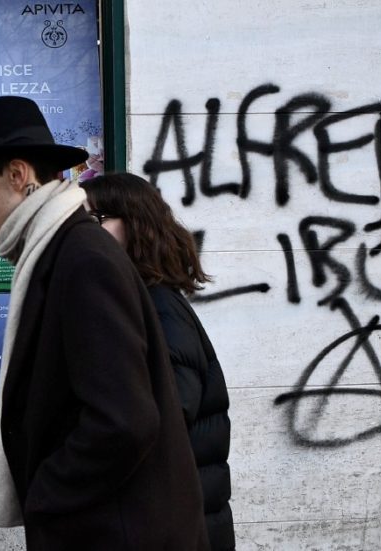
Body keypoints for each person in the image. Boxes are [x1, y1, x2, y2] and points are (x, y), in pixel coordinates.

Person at [0, 96, 209, 550]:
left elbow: (124, 421)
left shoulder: (80, 258)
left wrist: (47, 497)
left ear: (18, 175)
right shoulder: (61, 251)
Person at [82, 172, 235, 551]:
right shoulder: (144, 304)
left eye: (95, 220)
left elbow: (161, 420)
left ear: (136, 226)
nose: (83, 234)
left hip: (169, 528)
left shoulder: (158, 310)